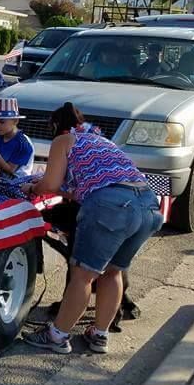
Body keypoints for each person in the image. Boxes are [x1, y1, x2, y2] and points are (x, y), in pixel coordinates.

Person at [22, 103, 162, 354]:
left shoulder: (64, 140)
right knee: (112, 272)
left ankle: (57, 335)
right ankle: (99, 335)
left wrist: (33, 188)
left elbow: (51, 183)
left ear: (56, 126)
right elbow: (84, 189)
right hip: (147, 204)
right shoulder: (101, 141)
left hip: (113, 206)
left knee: (83, 275)